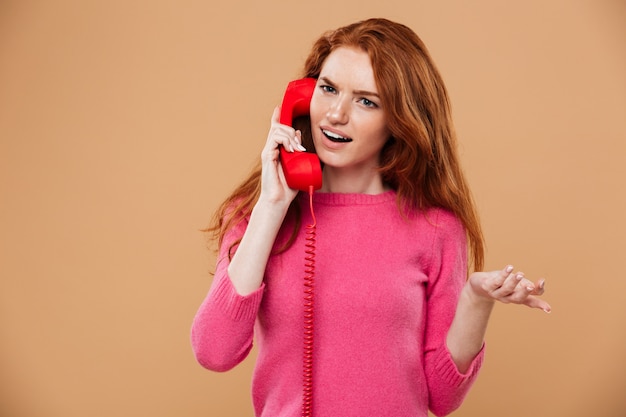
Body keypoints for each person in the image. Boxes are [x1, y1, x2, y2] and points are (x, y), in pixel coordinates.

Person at [191, 17, 550, 417]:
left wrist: (476, 300)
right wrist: (271, 207)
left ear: (399, 119)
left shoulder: (436, 229)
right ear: (303, 95)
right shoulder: (255, 215)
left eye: (366, 101)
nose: (335, 114)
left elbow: (442, 399)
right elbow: (214, 353)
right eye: (328, 89)